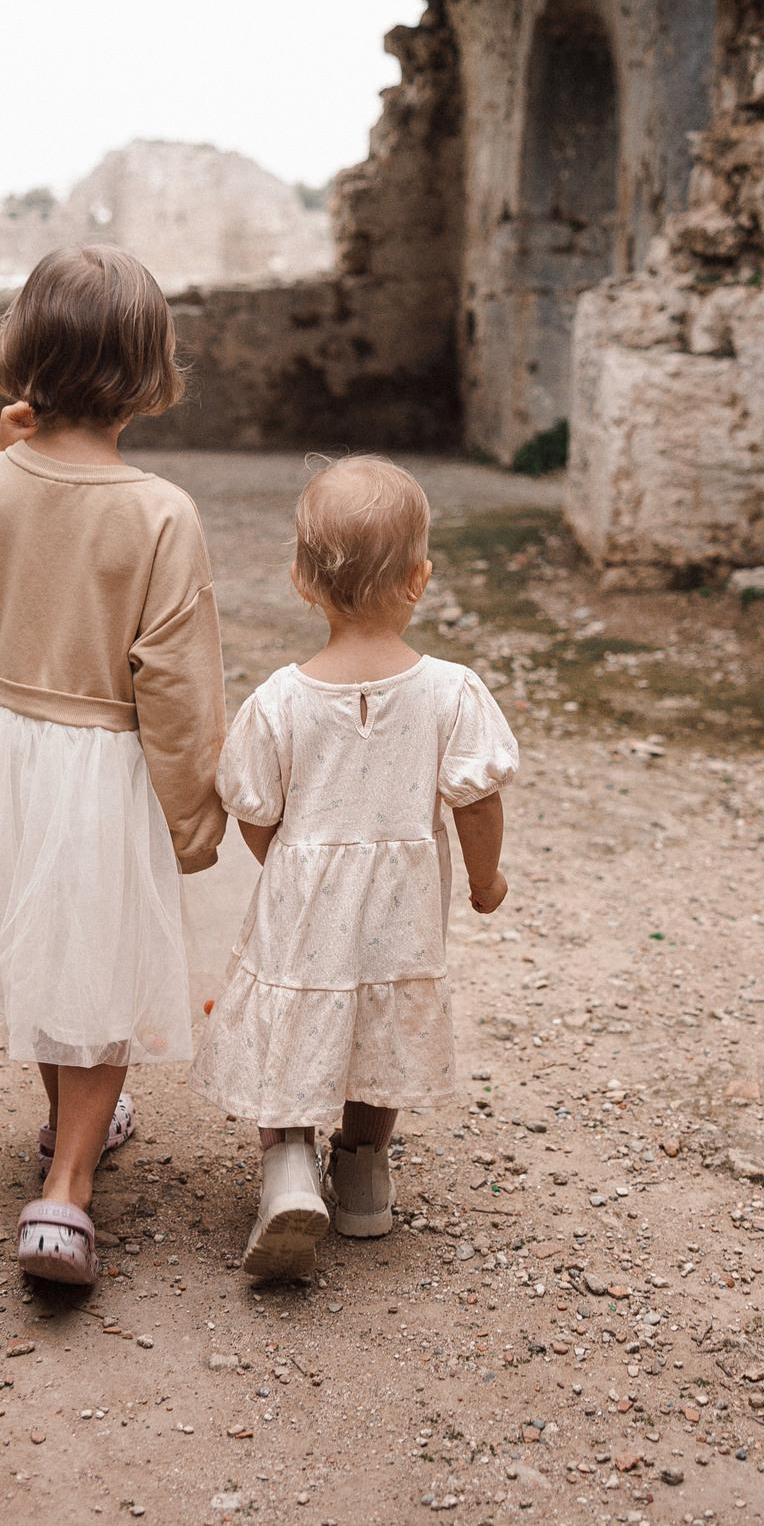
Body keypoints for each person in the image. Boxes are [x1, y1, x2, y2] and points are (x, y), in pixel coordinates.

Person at [0, 245, 224, 1286]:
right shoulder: (160, 513)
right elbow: (173, 682)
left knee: (44, 946)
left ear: (24, 354)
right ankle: (65, 1189)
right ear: (149, 369)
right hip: (100, 760)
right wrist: (193, 812)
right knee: (100, 962)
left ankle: (70, 1123)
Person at [189, 455, 518, 1278]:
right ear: (420, 578)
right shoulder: (453, 691)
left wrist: (293, 865)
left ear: (303, 580)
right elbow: (476, 802)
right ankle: (365, 1175)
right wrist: (486, 881)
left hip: (302, 905)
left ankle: (289, 1167)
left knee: (295, 1020)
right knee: (381, 1023)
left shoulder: (279, 700)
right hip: (402, 911)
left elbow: (254, 812)